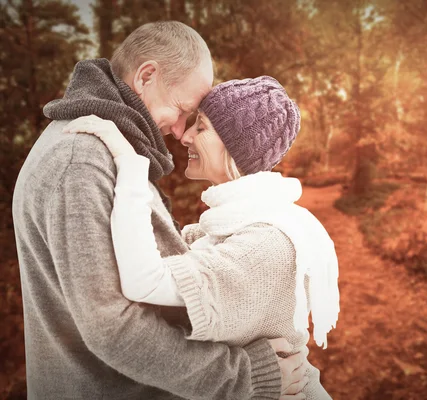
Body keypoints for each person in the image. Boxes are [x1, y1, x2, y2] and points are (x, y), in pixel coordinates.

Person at [12, 21, 308, 400]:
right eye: (184, 110)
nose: (180, 131)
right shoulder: (81, 160)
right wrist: (247, 376)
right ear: (146, 76)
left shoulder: (98, 146)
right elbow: (113, 328)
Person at [63, 76, 340, 400]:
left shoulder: (266, 245)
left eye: (202, 127)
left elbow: (145, 280)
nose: (186, 136)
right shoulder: (228, 228)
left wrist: (129, 163)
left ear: (237, 148)